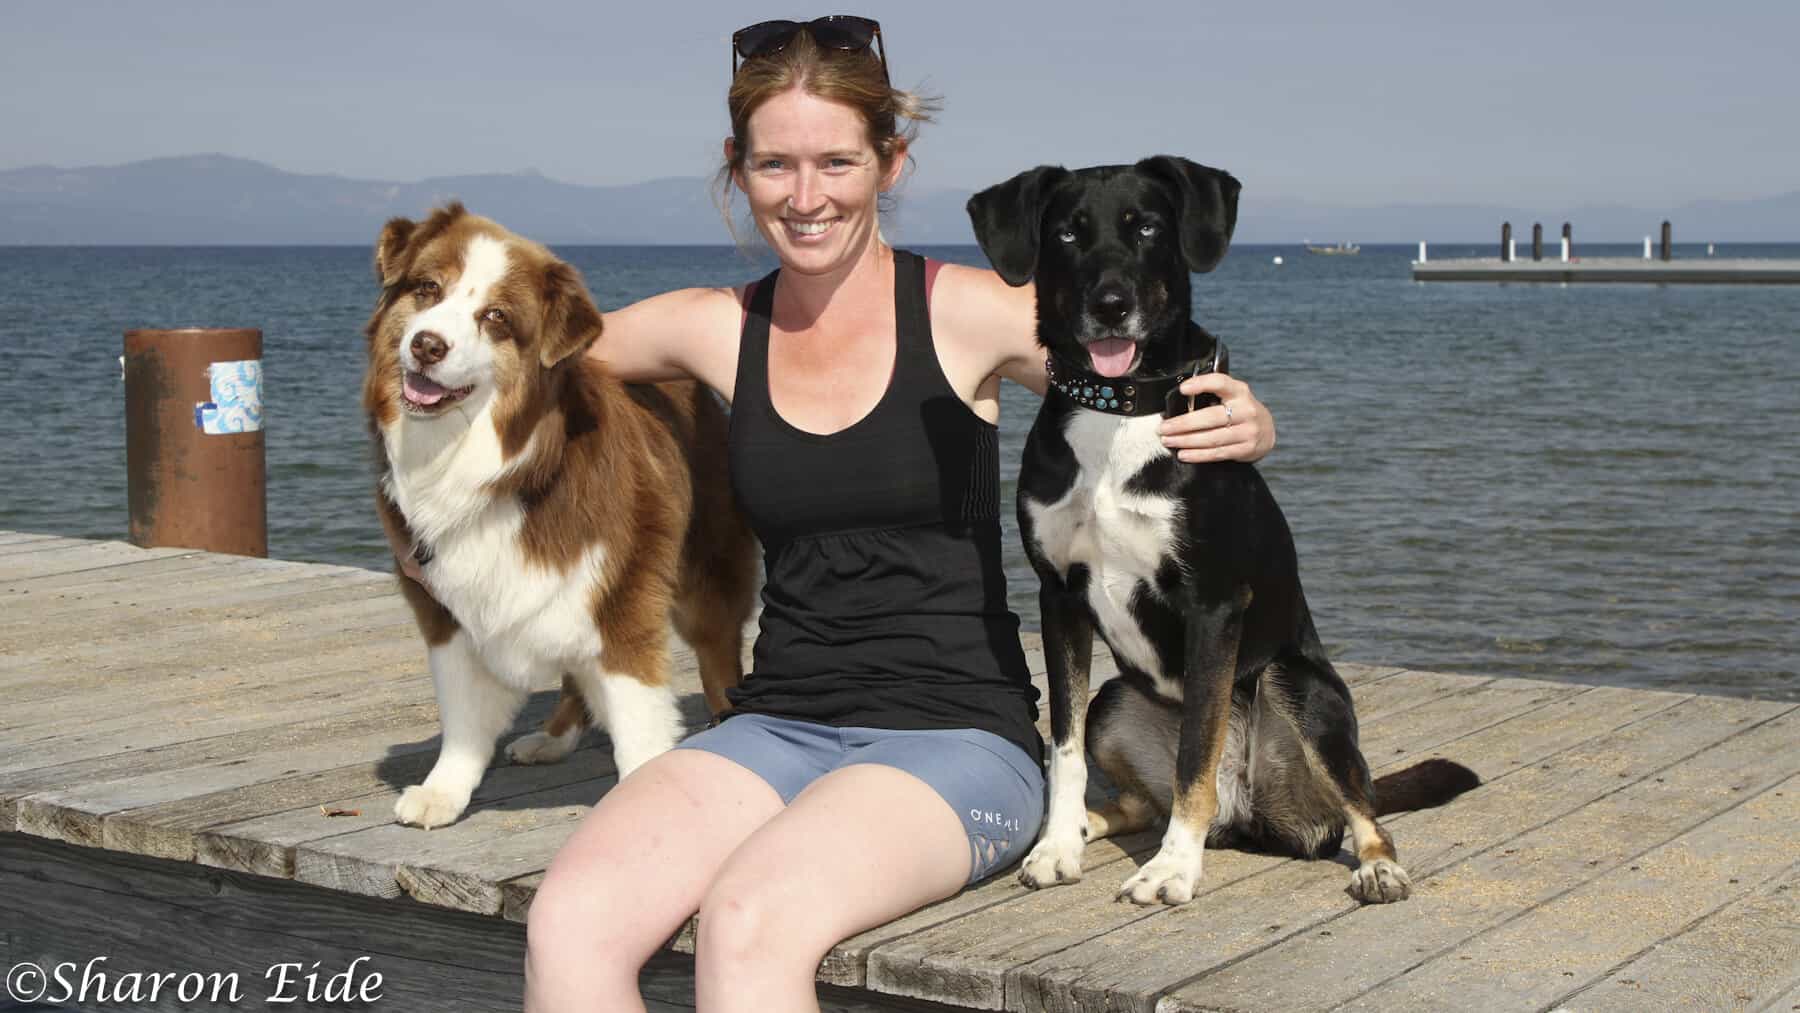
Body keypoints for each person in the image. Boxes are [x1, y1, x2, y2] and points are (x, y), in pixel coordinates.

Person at [395, 17, 1274, 1012]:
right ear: (738, 169)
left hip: (958, 739)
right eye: (775, 163)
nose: (805, 196)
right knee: (572, 915)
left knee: (750, 919)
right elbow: (515, 357)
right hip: (775, 723)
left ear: (892, 162)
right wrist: (433, 523)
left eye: (836, 161)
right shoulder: (714, 326)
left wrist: (1245, 412)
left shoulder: (970, 310)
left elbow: (1141, 365)